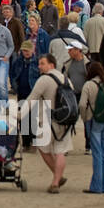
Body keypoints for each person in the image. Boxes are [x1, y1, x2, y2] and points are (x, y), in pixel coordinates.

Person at [25, 53, 72, 193]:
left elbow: (31, 100)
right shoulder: (65, 78)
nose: (39, 66)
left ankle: (56, 181)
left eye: (42, 63)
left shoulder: (44, 80)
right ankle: (57, 179)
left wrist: (19, 116)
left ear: (51, 64)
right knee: (60, 151)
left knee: (42, 147)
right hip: (65, 120)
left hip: (48, 121)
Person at [78, 61, 104, 194]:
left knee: (97, 153)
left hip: (94, 119)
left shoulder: (88, 85)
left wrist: (84, 117)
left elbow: (82, 104)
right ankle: (103, 185)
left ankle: (96, 186)